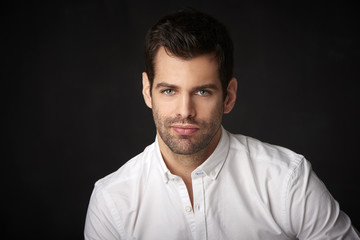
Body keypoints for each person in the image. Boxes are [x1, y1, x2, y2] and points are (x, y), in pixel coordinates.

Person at [84, 8, 359, 240]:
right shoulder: (112, 202)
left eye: (202, 91)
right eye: (169, 91)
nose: (185, 111)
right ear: (147, 91)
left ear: (229, 97)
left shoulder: (286, 180)